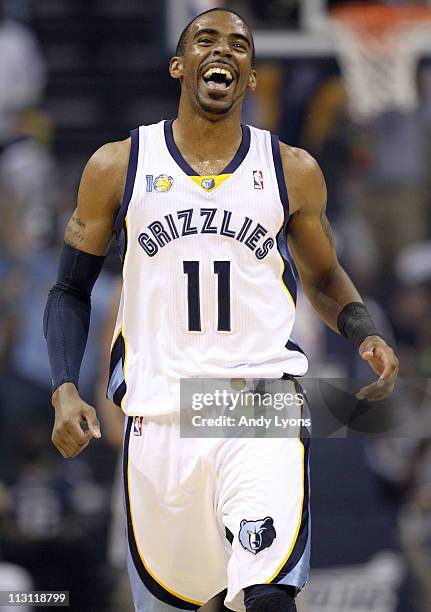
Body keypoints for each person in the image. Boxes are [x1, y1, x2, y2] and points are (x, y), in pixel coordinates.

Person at [43, 8, 399, 612]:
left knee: (266, 596)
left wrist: (362, 328)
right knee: (185, 601)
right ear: (180, 65)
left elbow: (323, 273)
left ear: (251, 76)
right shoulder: (118, 166)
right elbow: (69, 290)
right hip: (159, 416)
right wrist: (65, 388)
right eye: (206, 39)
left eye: (239, 44)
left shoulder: (292, 171)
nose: (223, 50)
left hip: (256, 407)